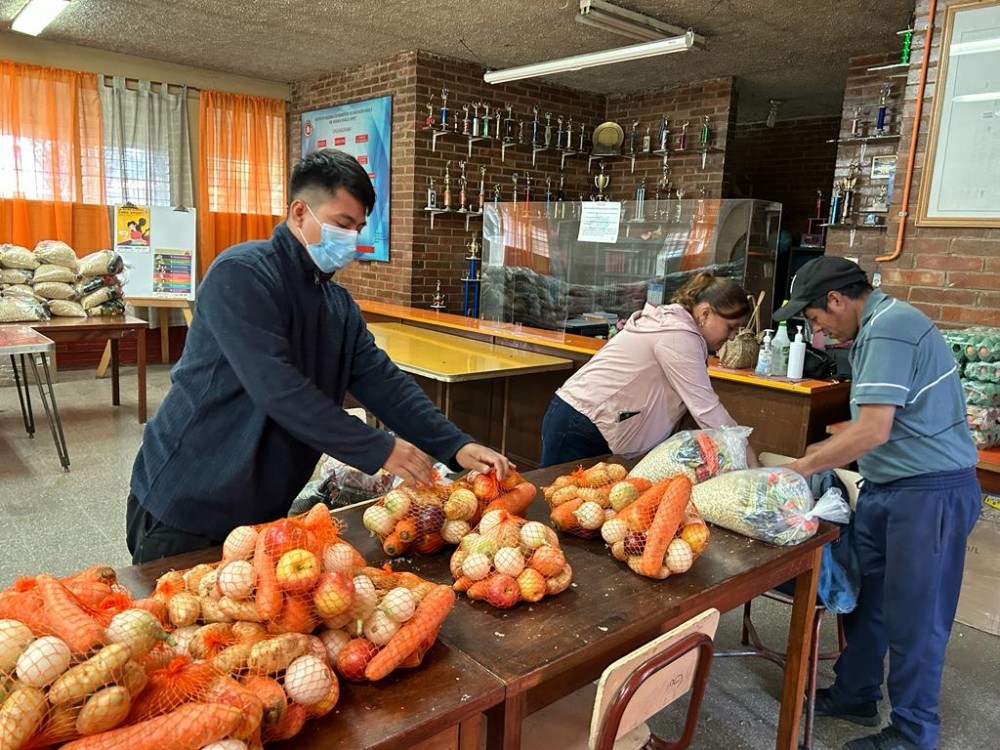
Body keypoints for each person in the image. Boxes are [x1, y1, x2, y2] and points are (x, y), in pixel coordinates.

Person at [127, 149, 510, 564]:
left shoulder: (337, 305)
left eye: (358, 227)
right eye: (342, 224)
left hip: (261, 507)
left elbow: (384, 383)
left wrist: (455, 444)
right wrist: (379, 447)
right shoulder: (242, 275)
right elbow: (279, 390)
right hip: (189, 500)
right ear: (298, 212)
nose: (351, 238)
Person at [778, 257, 980, 750]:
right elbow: (877, 422)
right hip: (890, 487)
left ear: (837, 299)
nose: (817, 329)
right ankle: (856, 692)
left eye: (814, 318)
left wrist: (800, 467)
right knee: (867, 602)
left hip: (928, 494)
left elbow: (873, 429)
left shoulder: (890, 327)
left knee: (916, 617)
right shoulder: (875, 329)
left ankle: (914, 734)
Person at [540, 272, 753, 466]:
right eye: (731, 327)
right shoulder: (678, 335)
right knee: (560, 501)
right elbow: (706, 409)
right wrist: (749, 461)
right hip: (581, 423)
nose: (733, 336)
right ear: (705, 313)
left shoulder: (677, 328)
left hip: (587, 421)